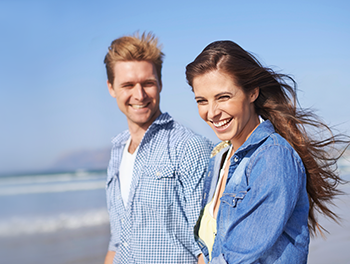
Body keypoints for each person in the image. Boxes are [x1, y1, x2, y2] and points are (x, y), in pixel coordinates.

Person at [185, 40, 349, 264]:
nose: (212, 112)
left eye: (223, 97)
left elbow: (236, 258)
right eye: (202, 101)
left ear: (252, 92)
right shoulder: (221, 157)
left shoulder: (273, 157)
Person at [103, 32, 213, 264]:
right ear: (111, 88)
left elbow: (207, 246)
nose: (139, 95)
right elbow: (117, 241)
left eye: (148, 83)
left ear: (160, 84)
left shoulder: (189, 147)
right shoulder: (117, 151)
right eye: (128, 85)